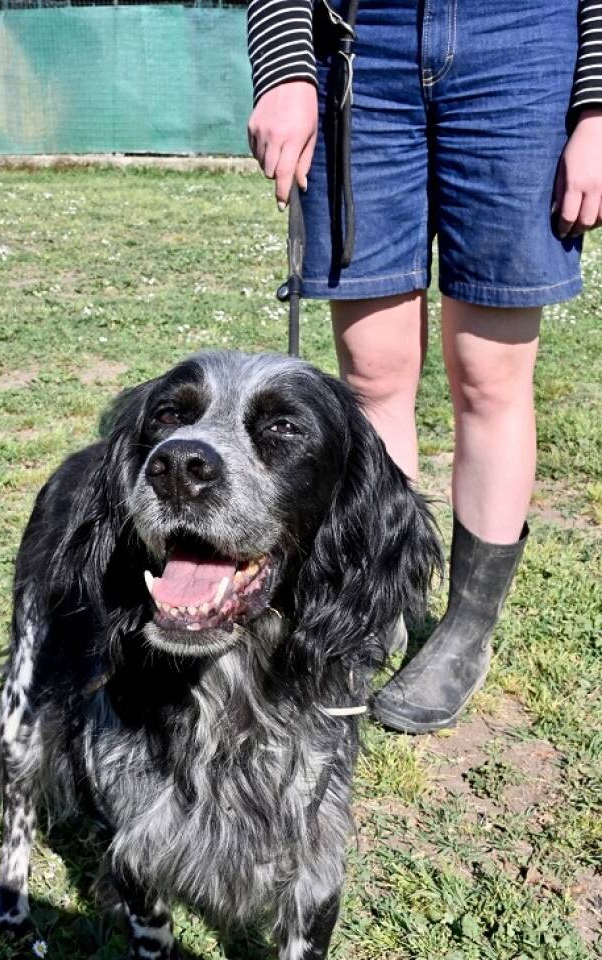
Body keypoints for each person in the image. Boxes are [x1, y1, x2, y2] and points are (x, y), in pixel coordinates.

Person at [245, 0, 602, 733]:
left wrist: (598, 105)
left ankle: (466, 628)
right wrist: (283, 68)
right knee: (371, 375)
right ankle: (376, 601)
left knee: (490, 376)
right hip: (359, 44)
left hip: (522, 43)